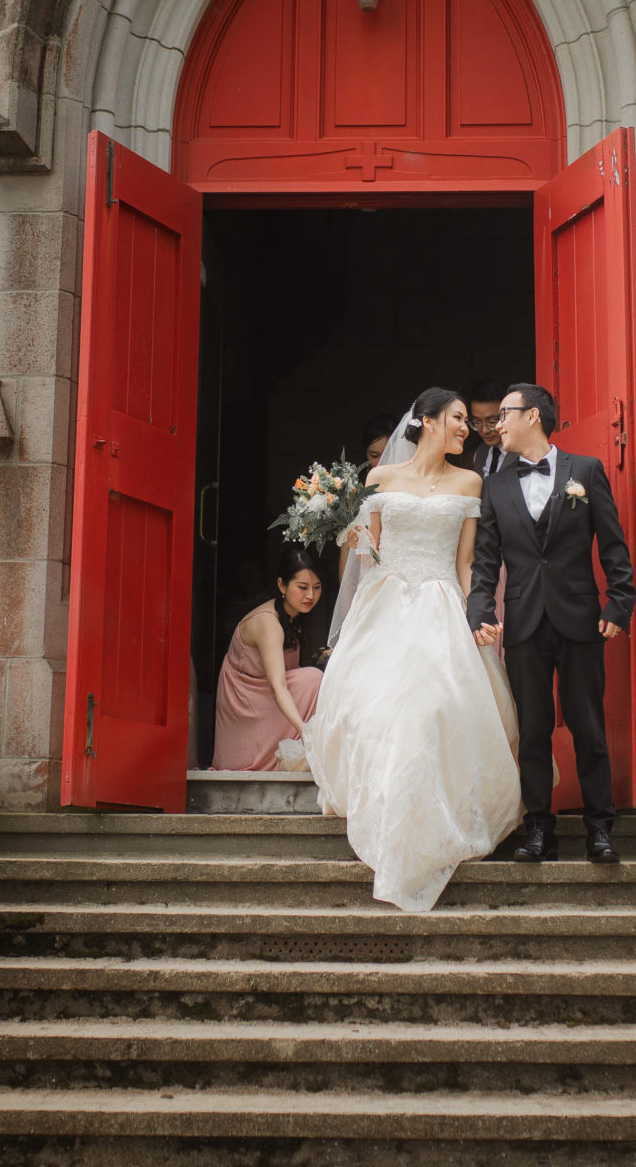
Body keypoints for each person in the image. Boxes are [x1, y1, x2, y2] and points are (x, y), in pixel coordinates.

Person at [306, 387, 522, 911]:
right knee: (382, 712)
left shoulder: (470, 481)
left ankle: (424, 821)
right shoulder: (380, 478)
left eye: (466, 422)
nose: (465, 429)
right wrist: (361, 546)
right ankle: (387, 817)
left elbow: (467, 562)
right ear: (425, 422)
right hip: (385, 605)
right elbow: (371, 553)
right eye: (456, 420)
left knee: (432, 708)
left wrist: (482, 615)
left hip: (441, 604)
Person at [470, 382, 635, 865]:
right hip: (522, 623)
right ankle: (539, 829)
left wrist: (618, 605)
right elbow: (484, 562)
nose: (496, 424)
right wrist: (481, 610)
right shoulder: (495, 486)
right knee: (534, 729)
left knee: (588, 726)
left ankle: (600, 829)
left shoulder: (585, 471)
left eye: (505, 414)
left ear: (534, 417)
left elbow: (613, 546)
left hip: (581, 617)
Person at [212, 547, 325, 771]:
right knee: (313, 678)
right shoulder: (269, 623)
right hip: (247, 707)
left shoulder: (292, 619)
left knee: (316, 678)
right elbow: (278, 685)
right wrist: (305, 731)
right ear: (282, 585)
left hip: (264, 699)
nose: (310, 596)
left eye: (317, 587)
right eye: (302, 587)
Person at [455, 380, 512, 477]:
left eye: (492, 422)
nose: (485, 431)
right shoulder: (481, 452)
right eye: (477, 422)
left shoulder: (522, 453)